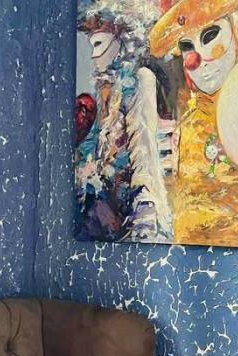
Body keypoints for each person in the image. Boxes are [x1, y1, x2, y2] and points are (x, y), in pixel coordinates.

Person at [75, 0, 173, 243]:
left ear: (122, 38)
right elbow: (94, 148)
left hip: (132, 212)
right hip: (103, 210)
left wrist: (145, 207)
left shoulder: (141, 79)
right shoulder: (103, 89)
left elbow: (143, 147)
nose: (93, 55)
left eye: (99, 43)